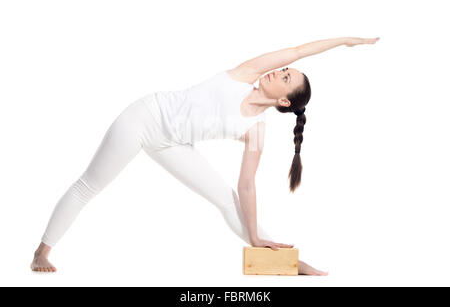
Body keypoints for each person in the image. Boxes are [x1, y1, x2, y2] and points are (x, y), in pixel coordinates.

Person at [30, 36, 380, 275]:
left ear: (284, 101)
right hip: (144, 118)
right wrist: (347, 41)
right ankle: (41, 252)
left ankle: (293, 264)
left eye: (285, 77)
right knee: (88, 186)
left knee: (228, 201)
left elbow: (246, 188)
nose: (279, 71)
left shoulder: (255, 131)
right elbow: (298, 49)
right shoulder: (246, 75)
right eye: (284, 69)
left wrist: (257, 239)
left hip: (173, 144)